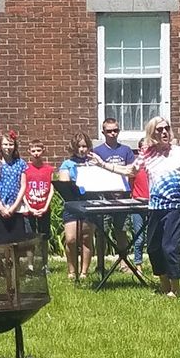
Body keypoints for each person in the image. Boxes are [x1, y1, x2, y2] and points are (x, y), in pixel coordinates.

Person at [91, 117, 180, 297]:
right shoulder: (147, 154)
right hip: (155, 207)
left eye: (166, 128)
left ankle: (175, 289)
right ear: (152, 133)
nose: (164, 132)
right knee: (153, 248)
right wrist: (102, 164)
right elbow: (130, 171)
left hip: (175, 207)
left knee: (170, 248)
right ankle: (164, 286)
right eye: (159, 130)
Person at [93, 118, 136, 273]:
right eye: (109, 131)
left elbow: (132, 171)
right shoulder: (97, 151)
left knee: (122, 231)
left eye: (115, 130)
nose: (112, 133)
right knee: (101, 232)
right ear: (103, 132)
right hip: (104, 196)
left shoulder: (126, 150)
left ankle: (124, 263)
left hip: (123, 196)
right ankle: (100, 265)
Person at [58, 132, 98, 280]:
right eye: (79, 146)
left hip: (89, 203)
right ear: (74, 147)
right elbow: (64, 184)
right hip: (72, 204)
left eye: (85, 146)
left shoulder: (93, 163)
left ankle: (84, 272)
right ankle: (71, 270)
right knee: (71, 239)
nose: (82, 149)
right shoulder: (67, 164)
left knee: (86, 238)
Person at [0, 131, 28, 235]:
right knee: (0, 240)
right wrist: (1, 208)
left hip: (16, 208)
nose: (8, 147)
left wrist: (13, 207)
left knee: (17, 240)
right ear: (0, 146)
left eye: (11, 144)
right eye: (5, 144)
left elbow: (23, 186)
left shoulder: (21, 163)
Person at [23, 139, 55, 242]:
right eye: (33, 151)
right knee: (30, 238)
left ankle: (44, 253)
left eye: (38, 150)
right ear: (29, 151)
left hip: (44, 208)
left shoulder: (49, 169)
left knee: (44, 237)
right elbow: (22, 189)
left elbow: (51, 189)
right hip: (29, 209)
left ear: (43, 150)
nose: (36, 153)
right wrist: (29, 208)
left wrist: (45, 207)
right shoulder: (25, 169)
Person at [130, 138, 149, 276]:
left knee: (154, 237)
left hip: (152, 204)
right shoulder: (135, 167)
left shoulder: (155, 165)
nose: (146, 150)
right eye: (144, 148)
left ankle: (157, 267)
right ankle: (138, 266)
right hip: (137, 203)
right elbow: (130, 183)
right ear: (139, 150)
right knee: (139, 237)